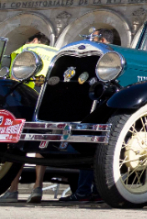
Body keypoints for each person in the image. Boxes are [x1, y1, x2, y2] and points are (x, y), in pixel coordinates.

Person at [59, 29, 116, 203]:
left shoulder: (112, 60)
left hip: (99, 110)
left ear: (104, 40)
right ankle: (83, 190)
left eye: (95, 38)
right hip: (81, 109)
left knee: (90, 145)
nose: (91, 41)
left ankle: (87, 191)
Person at [1, 33, 55, 204]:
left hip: (24, 99)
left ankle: (13, 189)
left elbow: (13, 76)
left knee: (16, 144)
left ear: (34, 40)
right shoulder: (55, 52)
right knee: (40, 144)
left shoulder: (27, 49)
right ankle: (37, 187)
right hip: (45, 99)